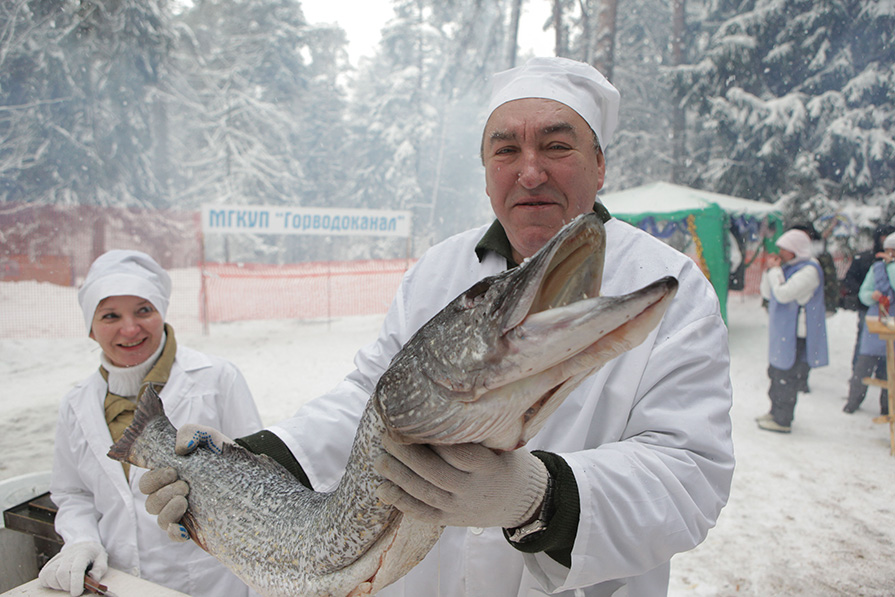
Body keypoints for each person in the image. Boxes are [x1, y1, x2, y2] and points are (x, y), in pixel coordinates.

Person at [141, 57, 735, 596]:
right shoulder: (437, 269)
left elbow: (689, 472)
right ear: (485, 171)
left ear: (600, 164)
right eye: (505, 151)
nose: (529, 172)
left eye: (557, 145)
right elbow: (371, 401)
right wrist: (257, 459)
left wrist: (540, 497)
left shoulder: (672, 289)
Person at [39, 250, 263, 597]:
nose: (130, 328)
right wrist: (81, 541)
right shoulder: (77, 403)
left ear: (162, 313)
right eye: (110, 315)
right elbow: (74, 493)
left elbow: (258, 479)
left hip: (209, 582)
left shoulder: (217, 380)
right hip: (116, 581)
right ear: (90, 329)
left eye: (144, 310)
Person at [757, 229, 829, 433]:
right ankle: (774, 411)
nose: (780, 252)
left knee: (786, 375)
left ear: (796, 250)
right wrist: (769, 271)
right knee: (775, 370)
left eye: (784, 249)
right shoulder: (788, 267)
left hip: (797, 333)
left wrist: (774, 272)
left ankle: (783, 419)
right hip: (782, 331)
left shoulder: (810, 270)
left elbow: (783, 294)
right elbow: (767, 293)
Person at [843, 233, 895, 415]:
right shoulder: (877, 268)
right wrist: (871, 296)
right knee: (863, 365)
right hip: (876, 320)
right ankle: (854, 400)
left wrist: (891, 268)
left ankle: (888, 406)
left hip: (893, 324)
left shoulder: (886, 268)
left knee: (891, 369)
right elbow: (864, 293)